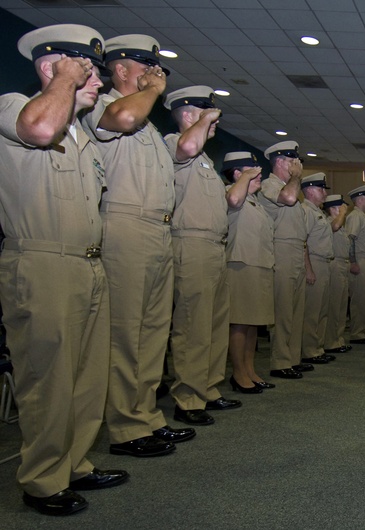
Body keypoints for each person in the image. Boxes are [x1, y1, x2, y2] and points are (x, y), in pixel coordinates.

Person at [0, 23, 126, 516]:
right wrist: (63, 83)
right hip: (43, 262)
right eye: (86, 68)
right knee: (48, 378)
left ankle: (74, 464)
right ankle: (41, 480)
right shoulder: (16, 106)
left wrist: (74, 87)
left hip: (89, 266)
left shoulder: (84, 139)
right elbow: (39, 129)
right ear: (52, 67)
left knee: (87, 377)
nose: (97, 78)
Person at [81, 35, 193, 454]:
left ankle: (146, 415)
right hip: (125, 228)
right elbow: (122, 119)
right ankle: (127, 428)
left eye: (156, 67)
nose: (154, 73)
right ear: (120, 68)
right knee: (126, 334)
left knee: (152, 334)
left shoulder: (149, 126)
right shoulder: (102, 106)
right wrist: (150, 92)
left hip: (158, 232)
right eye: (145, 65)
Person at [164, 86, 240, 426]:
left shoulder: (206, 162)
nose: (215, 123)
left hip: (214, 247)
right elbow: (186, 147)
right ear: (187, 114)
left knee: (213, 324)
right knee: (192, 326)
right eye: (207, 114)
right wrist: (205, 119)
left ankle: (208, 388)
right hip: (190, 245)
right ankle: (187, 398)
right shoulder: (174, 144)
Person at [222, 151, 273, 394]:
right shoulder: (231, 193)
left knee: (253, 323)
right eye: (251, 172)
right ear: (237, 174)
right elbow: (233, 199)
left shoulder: (256, 202)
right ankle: (238, 373)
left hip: (259, 264)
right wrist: (244, 179)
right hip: (241, 264)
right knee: (240, 323)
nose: (258, 175)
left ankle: (250, 369)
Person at [259, 140, 310, 379]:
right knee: (283, 311)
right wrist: (296, 177)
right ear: (280, 162)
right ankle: (280, 361)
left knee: (296, 310)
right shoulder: (270, 185)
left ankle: (292, 358)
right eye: (293, 161)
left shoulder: (291, 188)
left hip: (296, 251)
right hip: (280, 250)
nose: (297, 165)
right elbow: (288, 198)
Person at [299, 173, 336, 363]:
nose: (324, 193)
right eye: (321, 189)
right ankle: (309, 350)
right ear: (310, 190)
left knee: (322, 309)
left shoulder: (319, 212)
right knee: (312, 311)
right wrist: (308, 269)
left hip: (324, 263)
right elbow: (302, 242)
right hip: (314, 262)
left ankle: (318, 347)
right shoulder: (306, 211)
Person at [345, 184, 365, 344]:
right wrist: (352, 262)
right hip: (360, 259)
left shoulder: (362, 217)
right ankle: (357, 333)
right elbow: (350, 239)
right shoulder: (355, 217)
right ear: (359, 199)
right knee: (359, 299)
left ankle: (364, 330)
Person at [322, 194, 351, 355]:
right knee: (333, 306)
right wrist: (342, 214)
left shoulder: (341, 225)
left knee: (341, 306)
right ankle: (330, 341)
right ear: (333, 208)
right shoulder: (330, 222)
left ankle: (337, 339)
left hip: (343, 264)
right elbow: (335, 226)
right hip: (334, 264)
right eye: (341, 207)